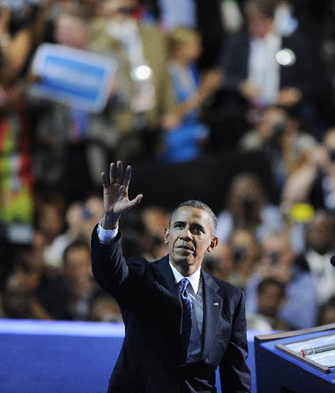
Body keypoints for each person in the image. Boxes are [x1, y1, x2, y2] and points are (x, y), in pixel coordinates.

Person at [91, 161, 251, 393]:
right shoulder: (141, 276)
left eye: (197, 229)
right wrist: (110, 221)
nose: (186, 235)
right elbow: (109, 270)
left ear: (212, 244)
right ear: (167, 235)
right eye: (179, 226)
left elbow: (236, 377)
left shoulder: (230, 298)